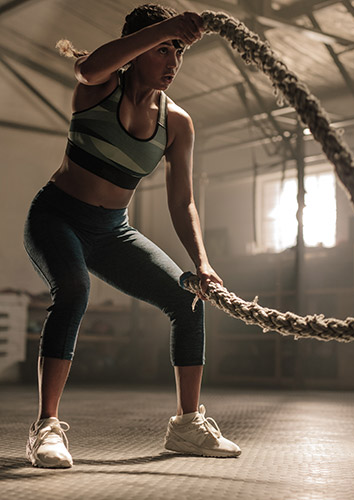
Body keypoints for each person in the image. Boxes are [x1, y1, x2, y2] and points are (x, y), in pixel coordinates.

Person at [23, 3, 241, 468]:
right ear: (137, 49)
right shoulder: (99, 87)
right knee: (75, 290)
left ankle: (186, 426)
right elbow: (88, 65)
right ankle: (46, 428)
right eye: (162, 50)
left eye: (178, 53)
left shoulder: (177, 124)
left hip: (111, 233)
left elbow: (182, 201)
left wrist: (201, 262)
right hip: (56, 217)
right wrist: (168, 26)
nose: (173, 63)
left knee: (187, 299)